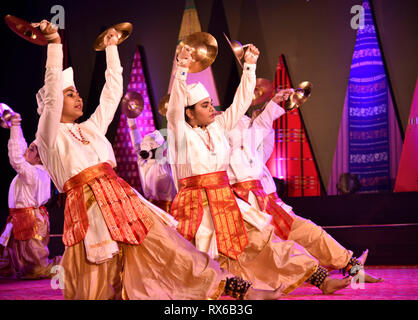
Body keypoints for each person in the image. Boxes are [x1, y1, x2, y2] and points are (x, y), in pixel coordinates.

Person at [34, 20, 280, 300]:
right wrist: (54, 43)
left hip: (121, 198)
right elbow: (53, 99)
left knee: (167, 247)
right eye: (70, 94)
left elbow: (112, 94)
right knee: (96, 279)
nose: (77, 97)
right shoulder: (48, 137)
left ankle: (227, 286)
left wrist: (112, 49)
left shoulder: (90, 128)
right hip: (88, 209)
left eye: (76, 92)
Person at [167, 43, 352, 295]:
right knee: (205, 260)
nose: (212, 108)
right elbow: (175, 107)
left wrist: (250, 66)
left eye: (211, 103)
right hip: (196, 207)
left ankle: (321, 279)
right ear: (188, 114)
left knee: (267, 241)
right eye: (204, 105)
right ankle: (248, 292)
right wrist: (182, 68)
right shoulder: (180, 135)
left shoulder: (217, 129)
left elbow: (240, 104)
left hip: (225, 202)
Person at [228, 94, 383, 283]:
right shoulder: (222, 129)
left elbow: (264, 145)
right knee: (282, 252)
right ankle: (324, 279)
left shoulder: (250, 140)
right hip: (245, 207)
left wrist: (265, 119)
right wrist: (264, 116)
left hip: (267, 202)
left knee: (310, 233)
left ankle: (354, 269)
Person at [0, 113, 60, 279]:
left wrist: (15, 126)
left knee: (37, 269)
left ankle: (68, 265)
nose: (27, 149)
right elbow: (21, 151)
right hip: (23, 219)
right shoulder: (34, 170)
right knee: (14, 262)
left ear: (40, 159)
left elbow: (16, 158)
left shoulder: (33, 173)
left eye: (32, 149)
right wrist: (15, 127)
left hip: (30, 220)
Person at [127, 118, 176, 212]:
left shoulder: (165, 162)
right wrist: (132, 122)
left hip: (169, 208)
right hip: (152, 208)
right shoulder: (143, 163)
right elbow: (137, 145)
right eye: (144, 145)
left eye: (149, 145)